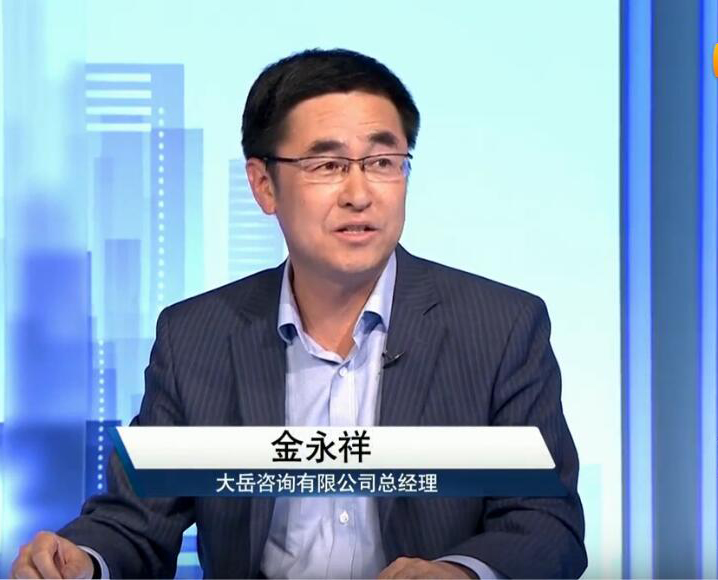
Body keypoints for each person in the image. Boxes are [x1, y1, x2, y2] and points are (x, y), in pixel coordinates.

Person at [11, 48, 586, 579]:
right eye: (328, 166)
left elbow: (545, 525)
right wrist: (79, 562)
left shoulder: (500, 328)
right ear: (264, 185)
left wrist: (460, 572)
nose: (359, 193)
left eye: (383, 161)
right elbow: (134, 521)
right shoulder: (197, 336)